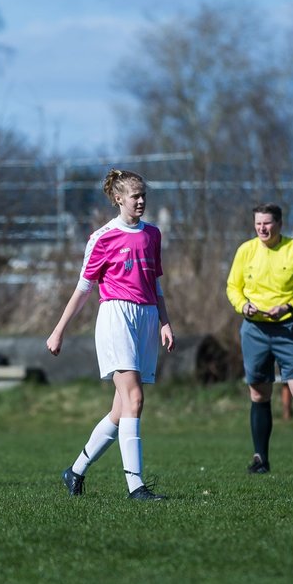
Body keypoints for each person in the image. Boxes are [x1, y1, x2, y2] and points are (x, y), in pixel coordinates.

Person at [47, 168, 174, 501]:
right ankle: (136, 487)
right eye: (135, 196)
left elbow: (155, 283)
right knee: (135, 399)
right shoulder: (102, 237)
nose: (141, 201)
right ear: (118, 199)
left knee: (120, 411)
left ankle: (74, 472)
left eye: (144, 195)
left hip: (146, 318)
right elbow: (83, 289)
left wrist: (165, 321)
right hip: (116, 316)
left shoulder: (153, 234)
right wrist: (58, 330)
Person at [225, 203, 293, 476]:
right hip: (254, 330)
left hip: (288, 328)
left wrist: (289, 307)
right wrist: (242, 305)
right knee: (259, 393)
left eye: (267, 223)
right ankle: (261, 459)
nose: (262, 228)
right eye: (258, 223)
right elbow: (233, 287)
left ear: (280, 224)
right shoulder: (245, 251)